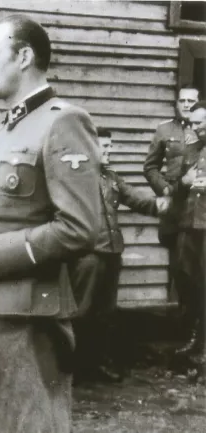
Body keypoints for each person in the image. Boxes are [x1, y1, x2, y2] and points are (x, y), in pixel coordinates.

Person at [0, 15, 103, 432]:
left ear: (25, 56)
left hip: (27, 319)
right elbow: (10, 213)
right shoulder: (11, 125)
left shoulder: (62, 121)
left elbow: (79, 227)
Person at [70, 127, 170, 384]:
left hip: (112, 252)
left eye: (110, 146)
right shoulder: (76, 180)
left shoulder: (111, 177)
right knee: (81, 312)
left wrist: (161, 204)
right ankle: (74, 369)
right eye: (103, 147)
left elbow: (135, 198)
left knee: (106, 313)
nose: (108, 151)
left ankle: (97, 364)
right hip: (88, 255)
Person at [143, 84, 200, 355]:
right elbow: (150, 167)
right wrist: (164, 189)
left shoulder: (202, 129)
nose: (186, 104)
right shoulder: (165, 130)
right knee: (180, 270)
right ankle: (186, 327)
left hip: (198, 212)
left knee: (193, 271)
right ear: (176, 103)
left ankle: (193, 329)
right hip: (175, 212)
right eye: (182, 100)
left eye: (191, 100)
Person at [172, 101, 206, 362]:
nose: (194, 127)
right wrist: (182, 182)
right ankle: (196, 338)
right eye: (192, 123)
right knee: (189, 280)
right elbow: (180, 186)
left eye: (199, 122)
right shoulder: (191, 149)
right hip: (188, 225)